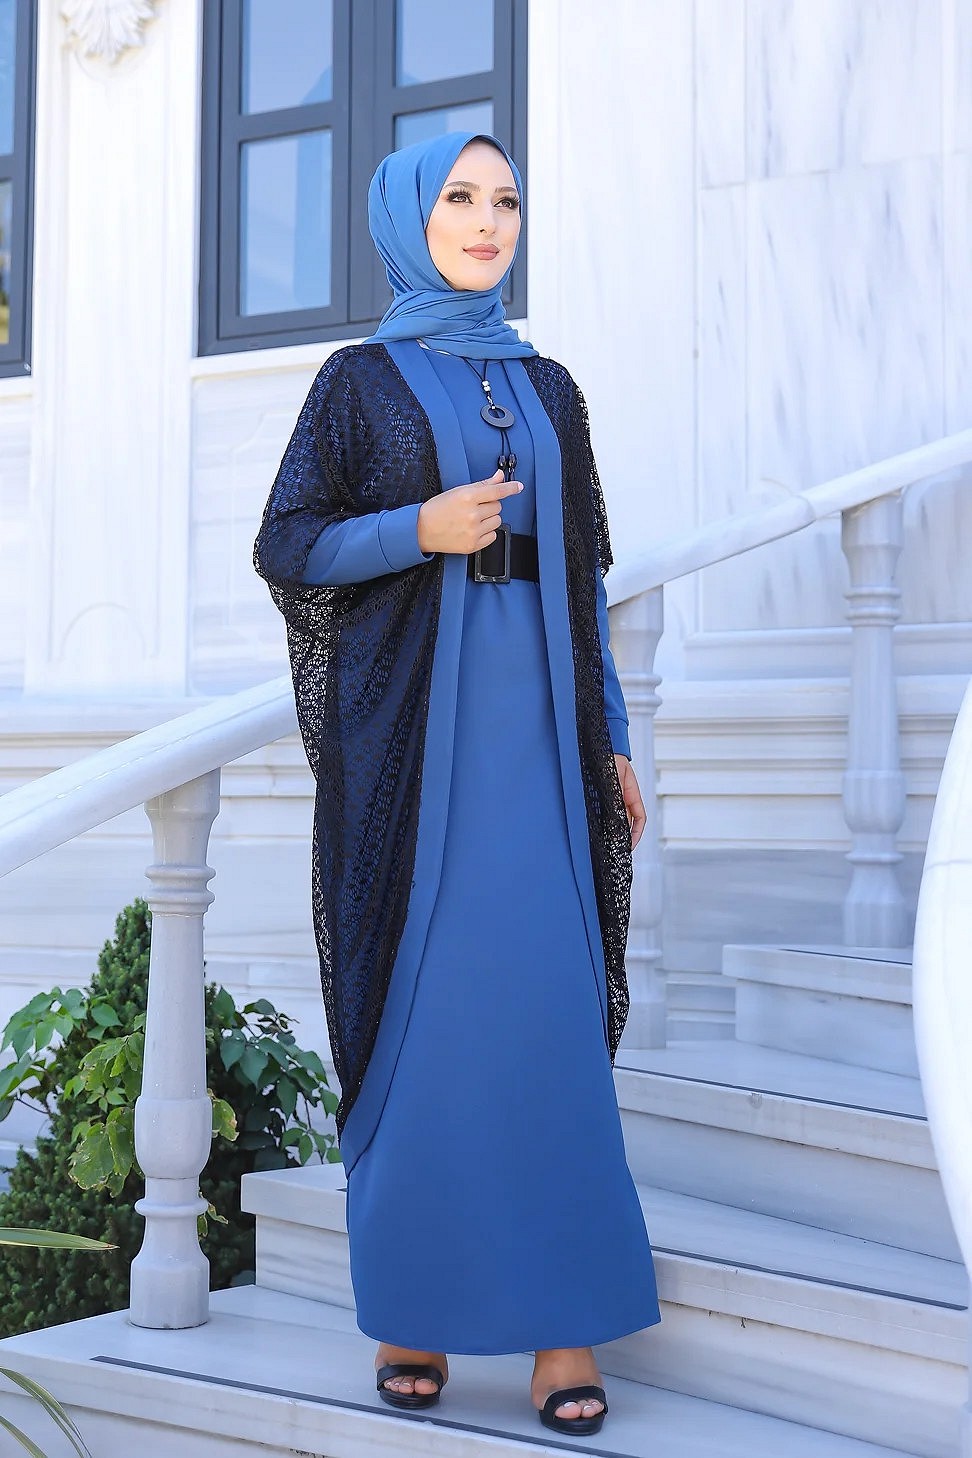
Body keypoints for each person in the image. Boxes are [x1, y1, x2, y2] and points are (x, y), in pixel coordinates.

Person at [253, 129, 661, 1440]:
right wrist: (416, 530)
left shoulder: (551, 388)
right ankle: (415, 1308)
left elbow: (585, 580)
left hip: (538, 752)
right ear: (408, 220)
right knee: (423, 1026)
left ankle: (563, 1326)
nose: (489, 222)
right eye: (461, 199)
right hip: (412, 761)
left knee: (545, 1024)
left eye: (507, 202)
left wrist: (611, 736)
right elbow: (289, 541)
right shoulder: (356, 383)